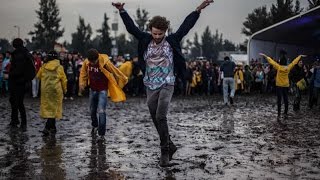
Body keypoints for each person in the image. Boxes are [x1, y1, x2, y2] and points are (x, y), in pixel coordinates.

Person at [112, 0, 214, 167]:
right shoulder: (146, 39)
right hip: (150, 84)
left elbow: (186, 26)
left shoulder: (172, 40)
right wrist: (122, 11)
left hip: (168, 83)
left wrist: (198, 10)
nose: (157, 37)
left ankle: (164, 153)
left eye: (160, 34)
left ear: (165, 32)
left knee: (161, 115)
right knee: (154, 117)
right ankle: (170, 145)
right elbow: (132, 28)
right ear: (151, 31)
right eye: (155, 33)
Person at [79, 49, 128, 141]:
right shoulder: (86, 62)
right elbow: (83, 74)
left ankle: (101, 135)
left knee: (101, 111)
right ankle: (94, 126)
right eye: (91, 61)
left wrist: (123, 78)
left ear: (98, 58)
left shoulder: (105, 63)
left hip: (103, 90)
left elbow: (115, 70)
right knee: (92, 111)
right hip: (92, 89)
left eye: (94, 61)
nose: (93, 63)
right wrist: (82, 84)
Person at [259, 52, 306, 122]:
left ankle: (278, 113)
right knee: (286, 98)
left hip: (279, 85)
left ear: (280, 61)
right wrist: (299, 56)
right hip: (286, 85)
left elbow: (271, 61)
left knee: (279, 100)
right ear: (286, 62)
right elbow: (294, 62)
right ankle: (285, 112)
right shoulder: (288, 67)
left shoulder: (278, 67)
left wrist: (265, 56)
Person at [37, 51, 67, 136]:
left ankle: (52, 128)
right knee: (54, 109)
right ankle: (47, 127)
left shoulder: (44, 66)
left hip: (46, 90)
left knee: (50, 109)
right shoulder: (60, 67)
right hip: (56, 90)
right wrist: (65, 90)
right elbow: (64, 80)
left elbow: (38, 76)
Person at [8, 38, 35, 129]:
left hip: (17, 81)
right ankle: (16, 120)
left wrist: (10, 74)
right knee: (16, 102)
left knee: (17, 102)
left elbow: (18, 69)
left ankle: (20, 122)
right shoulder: (26, 53)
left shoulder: (18, 54)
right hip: (23, 81)